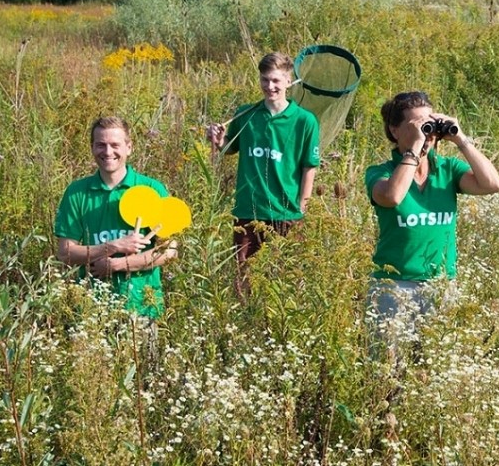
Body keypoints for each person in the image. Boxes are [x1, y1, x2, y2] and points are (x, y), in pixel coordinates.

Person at [365, 91, 499, 353]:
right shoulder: (380, 172)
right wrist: (415, 148)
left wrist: (460, 138)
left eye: (430, 125)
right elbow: (392, 196)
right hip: (394, 286)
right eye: (418, 126)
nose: (427, 134)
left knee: (430, 366)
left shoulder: (447, 170)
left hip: (440, 284)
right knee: (386, 373)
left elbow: (492, 184)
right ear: (394, 130)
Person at [206, 52, 320, 297]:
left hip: (285, 211)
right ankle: (248, 326)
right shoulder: (246, 114)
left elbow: (309, 166)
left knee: (286, 280)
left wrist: (303, 206)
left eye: (276, 81)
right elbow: (229, 148)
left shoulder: (305, 121)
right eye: (265, 80)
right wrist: (217, 140)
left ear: (289, 81)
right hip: (248, 210)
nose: (270, 86)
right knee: (244, 279)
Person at [55, 116, 178, 319]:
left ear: (129, 147)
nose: (108, 152)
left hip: (143, 306)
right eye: (101, 145)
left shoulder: (152, 189)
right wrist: (113, 246)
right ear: (92, 147)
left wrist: (118, 265)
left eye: (115, 145)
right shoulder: (77, 193)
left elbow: (169, 251)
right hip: (90, 310)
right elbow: (65, 253)